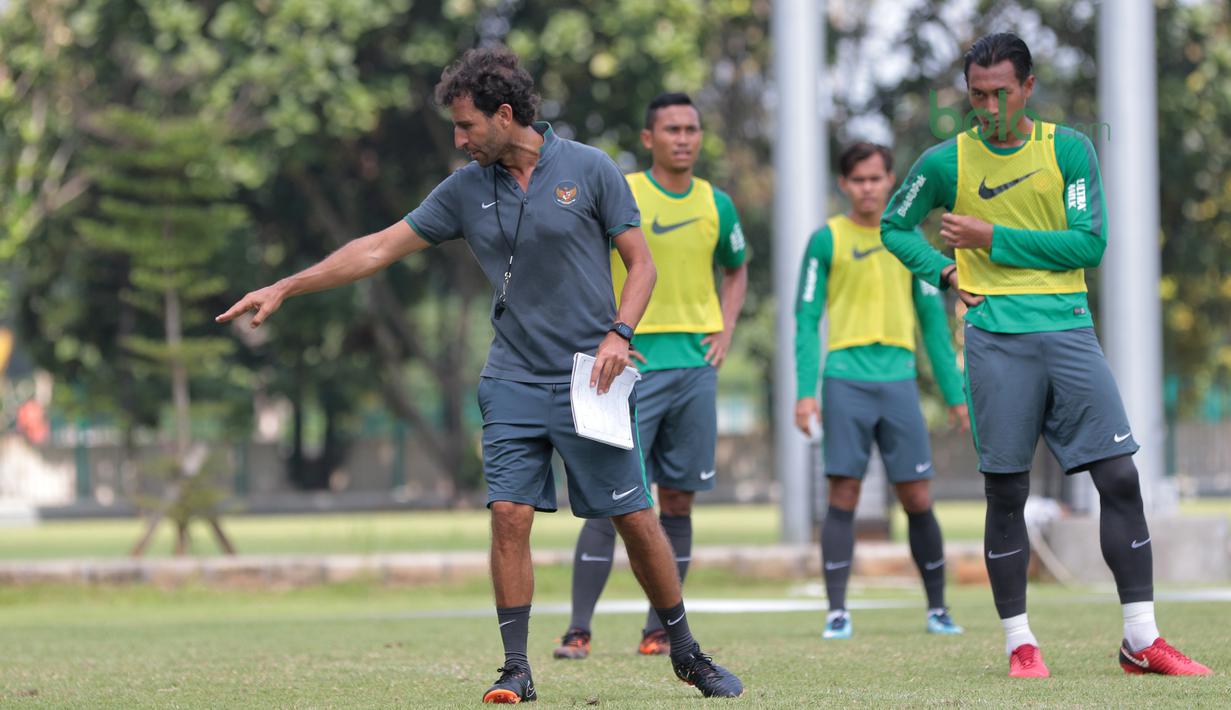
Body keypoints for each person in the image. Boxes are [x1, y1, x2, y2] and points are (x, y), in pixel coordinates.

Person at [217, 48, 743, 701]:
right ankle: (515, 669)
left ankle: (687, 652)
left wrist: (619, 333)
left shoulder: (590, 168)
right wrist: (287, 285)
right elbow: (378, 246)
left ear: (504, 114)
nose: (459, 140)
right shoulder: (465, 188)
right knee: (508, 514)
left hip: (591, 380)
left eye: (466, 127)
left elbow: (641, 266)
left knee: (635, 519)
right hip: (511, 379)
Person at [881, 32, 1210, 678]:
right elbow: (894, 224)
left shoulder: (1068, 149)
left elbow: (1086, 245)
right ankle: (1019, 644)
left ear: (1027, 87)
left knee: (1118, 478)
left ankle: (1140, 639)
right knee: (1005, 491)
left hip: (1067, 331)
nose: (987, 107)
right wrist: (943, 272)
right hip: (995, 340)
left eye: (1000, 92)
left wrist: (988, 236)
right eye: (976, 95)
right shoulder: (945, 162)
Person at [552, 92, 749, 661]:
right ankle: (578, 630)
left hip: (695, 369)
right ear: (648, 139)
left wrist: (727, 326)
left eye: (691, 128)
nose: (683, 138)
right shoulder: (623, 190)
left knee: (679, 501)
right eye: (671, 129)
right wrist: (612, 332)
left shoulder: (719, 204)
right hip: (627, 368)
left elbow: (736, 270)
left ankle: (658, 629)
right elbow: (586, 264)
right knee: (611, 495)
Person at [794, 142, 968, 641]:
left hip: (898, 383)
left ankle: (938, 608)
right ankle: (837, 612)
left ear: (891, 180)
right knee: (842, 493)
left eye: (876, 178)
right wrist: (805, 392)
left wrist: (956, 395)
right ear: (844, 185)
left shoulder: (909, 240)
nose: (868, 188)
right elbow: (805, 320)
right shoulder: (826, 239)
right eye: (858, 180)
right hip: (845, 380)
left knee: (916, 494)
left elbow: (934, 324)